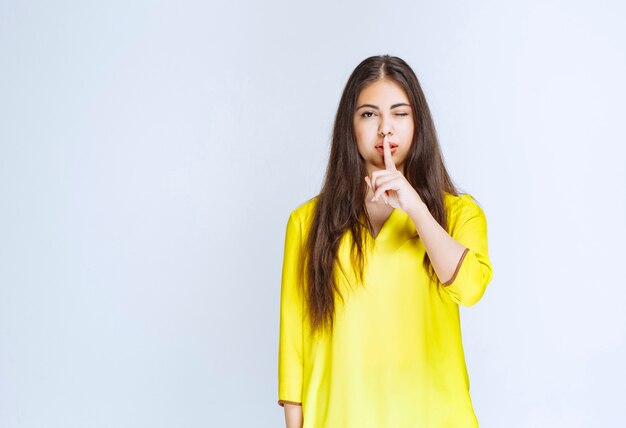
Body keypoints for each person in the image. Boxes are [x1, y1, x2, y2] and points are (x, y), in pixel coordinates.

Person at [277, 54, 494, 428]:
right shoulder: (306, 222)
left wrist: (416, 207)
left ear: (418, 123)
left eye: (399, 114)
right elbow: (294, 350)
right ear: (351, 125)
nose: (385, 130)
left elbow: (471, 288)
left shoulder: (458, 213)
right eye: (369, 114)